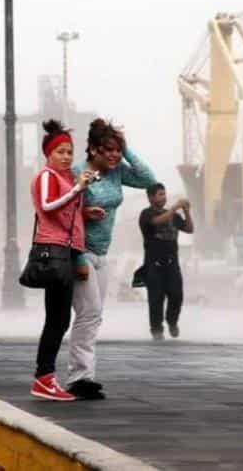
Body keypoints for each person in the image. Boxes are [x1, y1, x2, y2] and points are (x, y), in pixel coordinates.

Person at [67, 118, 156, 400]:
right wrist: (80, 251)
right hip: (80, 253)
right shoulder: (79, 172)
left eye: (117, 150)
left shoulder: (116, 172)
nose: (114, 155)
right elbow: (64, 214)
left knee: (94, 316)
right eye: (109, 150)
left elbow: (148, 179)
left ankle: (85, 375)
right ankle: (80, 377)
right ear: (93, 150)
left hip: (102, 256)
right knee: (88, 313)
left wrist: (127, 150)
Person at [29, 119, 96, 401]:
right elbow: (46, 206)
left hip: (66, 251)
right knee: (56, 318)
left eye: (69, 152)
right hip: (53, 251)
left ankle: (45, 378)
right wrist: (76, 190)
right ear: (48, 153)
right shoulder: (47, 176)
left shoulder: (66, 179)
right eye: (60, 152)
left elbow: (66, 213)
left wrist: (86, 211)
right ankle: (44, 378)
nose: (66, 157)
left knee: (60, 317)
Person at [139, 183, 194, 340]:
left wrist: (186, 211)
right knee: (156, 298)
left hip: (172, 262)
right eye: (160, 194)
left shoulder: (173, 216)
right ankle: (156, 329)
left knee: (177, 294)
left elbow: (189, 229)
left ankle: (172, 321)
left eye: (164, 194)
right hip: (153, 263)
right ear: (150, 197)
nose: (164, 197)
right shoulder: (146, 214)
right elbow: (157, 222)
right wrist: (175, 208)